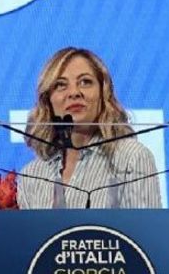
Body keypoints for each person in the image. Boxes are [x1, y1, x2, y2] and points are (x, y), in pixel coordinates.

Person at [17, 47, 161, 209]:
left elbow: (148, 225)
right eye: (61, 85)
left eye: (85, 82)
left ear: (103, 94)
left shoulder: (132, 158)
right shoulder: (31, 175)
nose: (74, 92)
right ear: (48, 100)